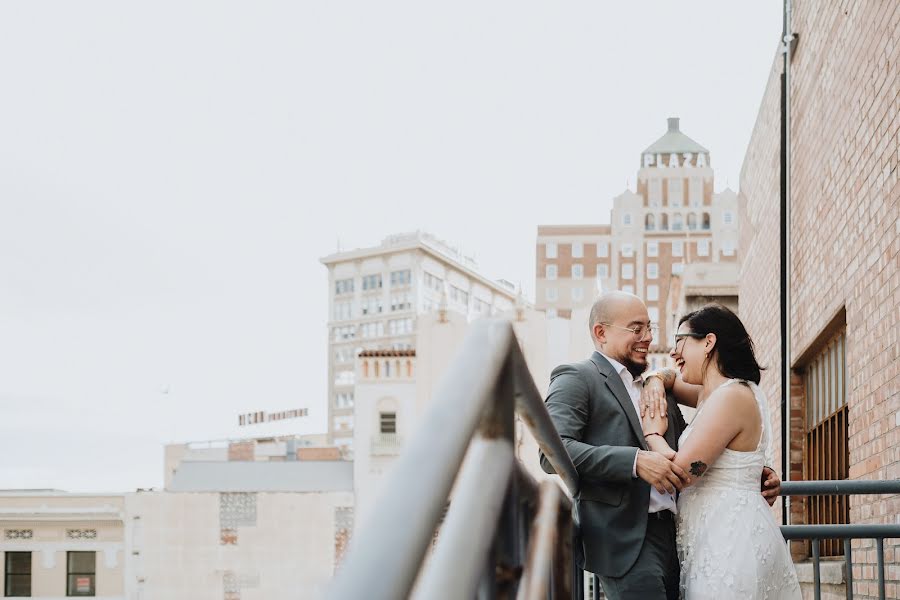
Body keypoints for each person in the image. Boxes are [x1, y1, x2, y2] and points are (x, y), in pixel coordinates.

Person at [540, 292, 781, 600]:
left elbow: (705, 447)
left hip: (684, 539)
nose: (649, 338)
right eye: (636, 328)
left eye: (650, 328)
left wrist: (754, 470)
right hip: (626, 541)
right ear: (601, 332)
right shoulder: (577, 377)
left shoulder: (662, 388)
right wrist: (635, 461)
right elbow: (552, 451)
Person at [640, 304, 800, 599]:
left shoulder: (732, 397)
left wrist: (651, 433)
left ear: (709, 342)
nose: (675, 353)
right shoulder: (712, 393)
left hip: (730, 543)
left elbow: (681, 474)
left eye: (680, 342)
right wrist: (655, 379)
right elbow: (672, 380)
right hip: (714, 539)